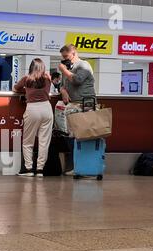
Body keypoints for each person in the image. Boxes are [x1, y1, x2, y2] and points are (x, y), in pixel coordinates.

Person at [58, 44, 96, 175]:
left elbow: (78, 80)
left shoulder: (83, 65)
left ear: (74, 54)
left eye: (66, 57)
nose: (64, 59)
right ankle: (77, 166)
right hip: (73, 105)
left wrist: (64, 70)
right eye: (62, 57)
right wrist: (63, 90)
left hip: (85, 104)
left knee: (84, 136)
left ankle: (85, 166)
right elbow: (63, 85)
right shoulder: (68, 68)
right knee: (71, 136)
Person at [13, 58, 53, 178]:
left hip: (32, 109)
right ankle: (40, 170)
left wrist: (25, 89)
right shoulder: (47, 79)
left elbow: (15, 88)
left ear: (31, 67)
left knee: (27, 141)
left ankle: (29, 169)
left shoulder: (27, 79)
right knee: (44, 141)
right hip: (46, 108)